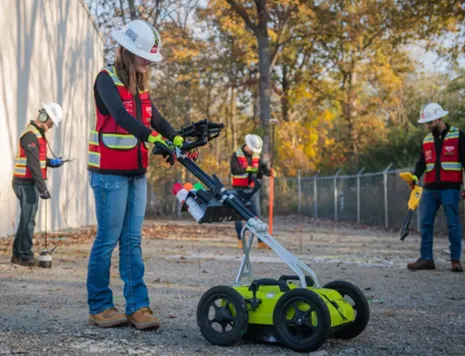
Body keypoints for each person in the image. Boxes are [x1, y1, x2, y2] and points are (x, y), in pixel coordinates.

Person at [86, 19, 196, 330]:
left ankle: (138, 306)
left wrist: (174, 139)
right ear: (128, 51)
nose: (148, 62)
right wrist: (150, 138)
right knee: (108, 240)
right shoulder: (105, 79)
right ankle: (100, 306)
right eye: (143, 56)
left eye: (150, 58)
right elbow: (120, 116)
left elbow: (155, 118)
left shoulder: (141, 85)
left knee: (132, 241)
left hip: (136, 173)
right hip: (108, 174)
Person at [407, 102, 464, 273]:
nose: (427, 126)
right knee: (425, 223)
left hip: (450, 188)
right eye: (426, 123)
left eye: (430, 122)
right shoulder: (427, 140)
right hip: (430, 188)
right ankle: (426, 259)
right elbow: (421, 164)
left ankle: (455, 260)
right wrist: (415, 177)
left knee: (453, 224)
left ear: (439, 118)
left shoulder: (458, 136)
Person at [11, 102, 64, 266]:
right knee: (28, 220)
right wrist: (43, 189)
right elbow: (33, 165)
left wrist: (50, 162)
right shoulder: (30, 135)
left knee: (26, 219)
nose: (51, 126)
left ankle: (19, 254)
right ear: (44, 117)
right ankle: (25, 255)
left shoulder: (37, 135)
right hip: (25, 182)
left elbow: (37, 160)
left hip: (29, 182)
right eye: (51, 123)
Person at [230, 134, 275, 249]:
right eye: (252, 149)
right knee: (238, 216)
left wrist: (269, 171)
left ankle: (261, 241)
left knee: (256, 216)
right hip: (238, 190)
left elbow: (261, 170)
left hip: (252, 190)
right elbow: (234, 170)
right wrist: (247, 169)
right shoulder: (236, 155)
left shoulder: (256, 157)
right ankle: (240, 240)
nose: (253, 151)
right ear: (247, 145)